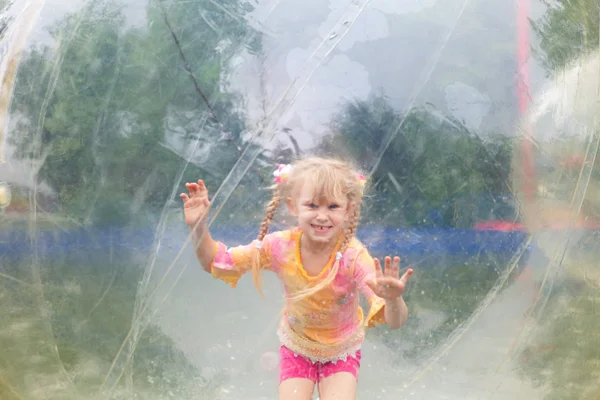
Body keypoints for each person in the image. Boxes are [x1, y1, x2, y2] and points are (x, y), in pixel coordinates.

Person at [180, 157, 413, 400]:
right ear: (293, 206)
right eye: (312, 205)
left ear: (348, 210)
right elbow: (217, 263)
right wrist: (199, 228)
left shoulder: (353, 257)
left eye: (332, 206)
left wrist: (393, 300)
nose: (322, 216)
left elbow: (395, 322)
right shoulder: (279, 246)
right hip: (297, 347)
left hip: (340, 351)